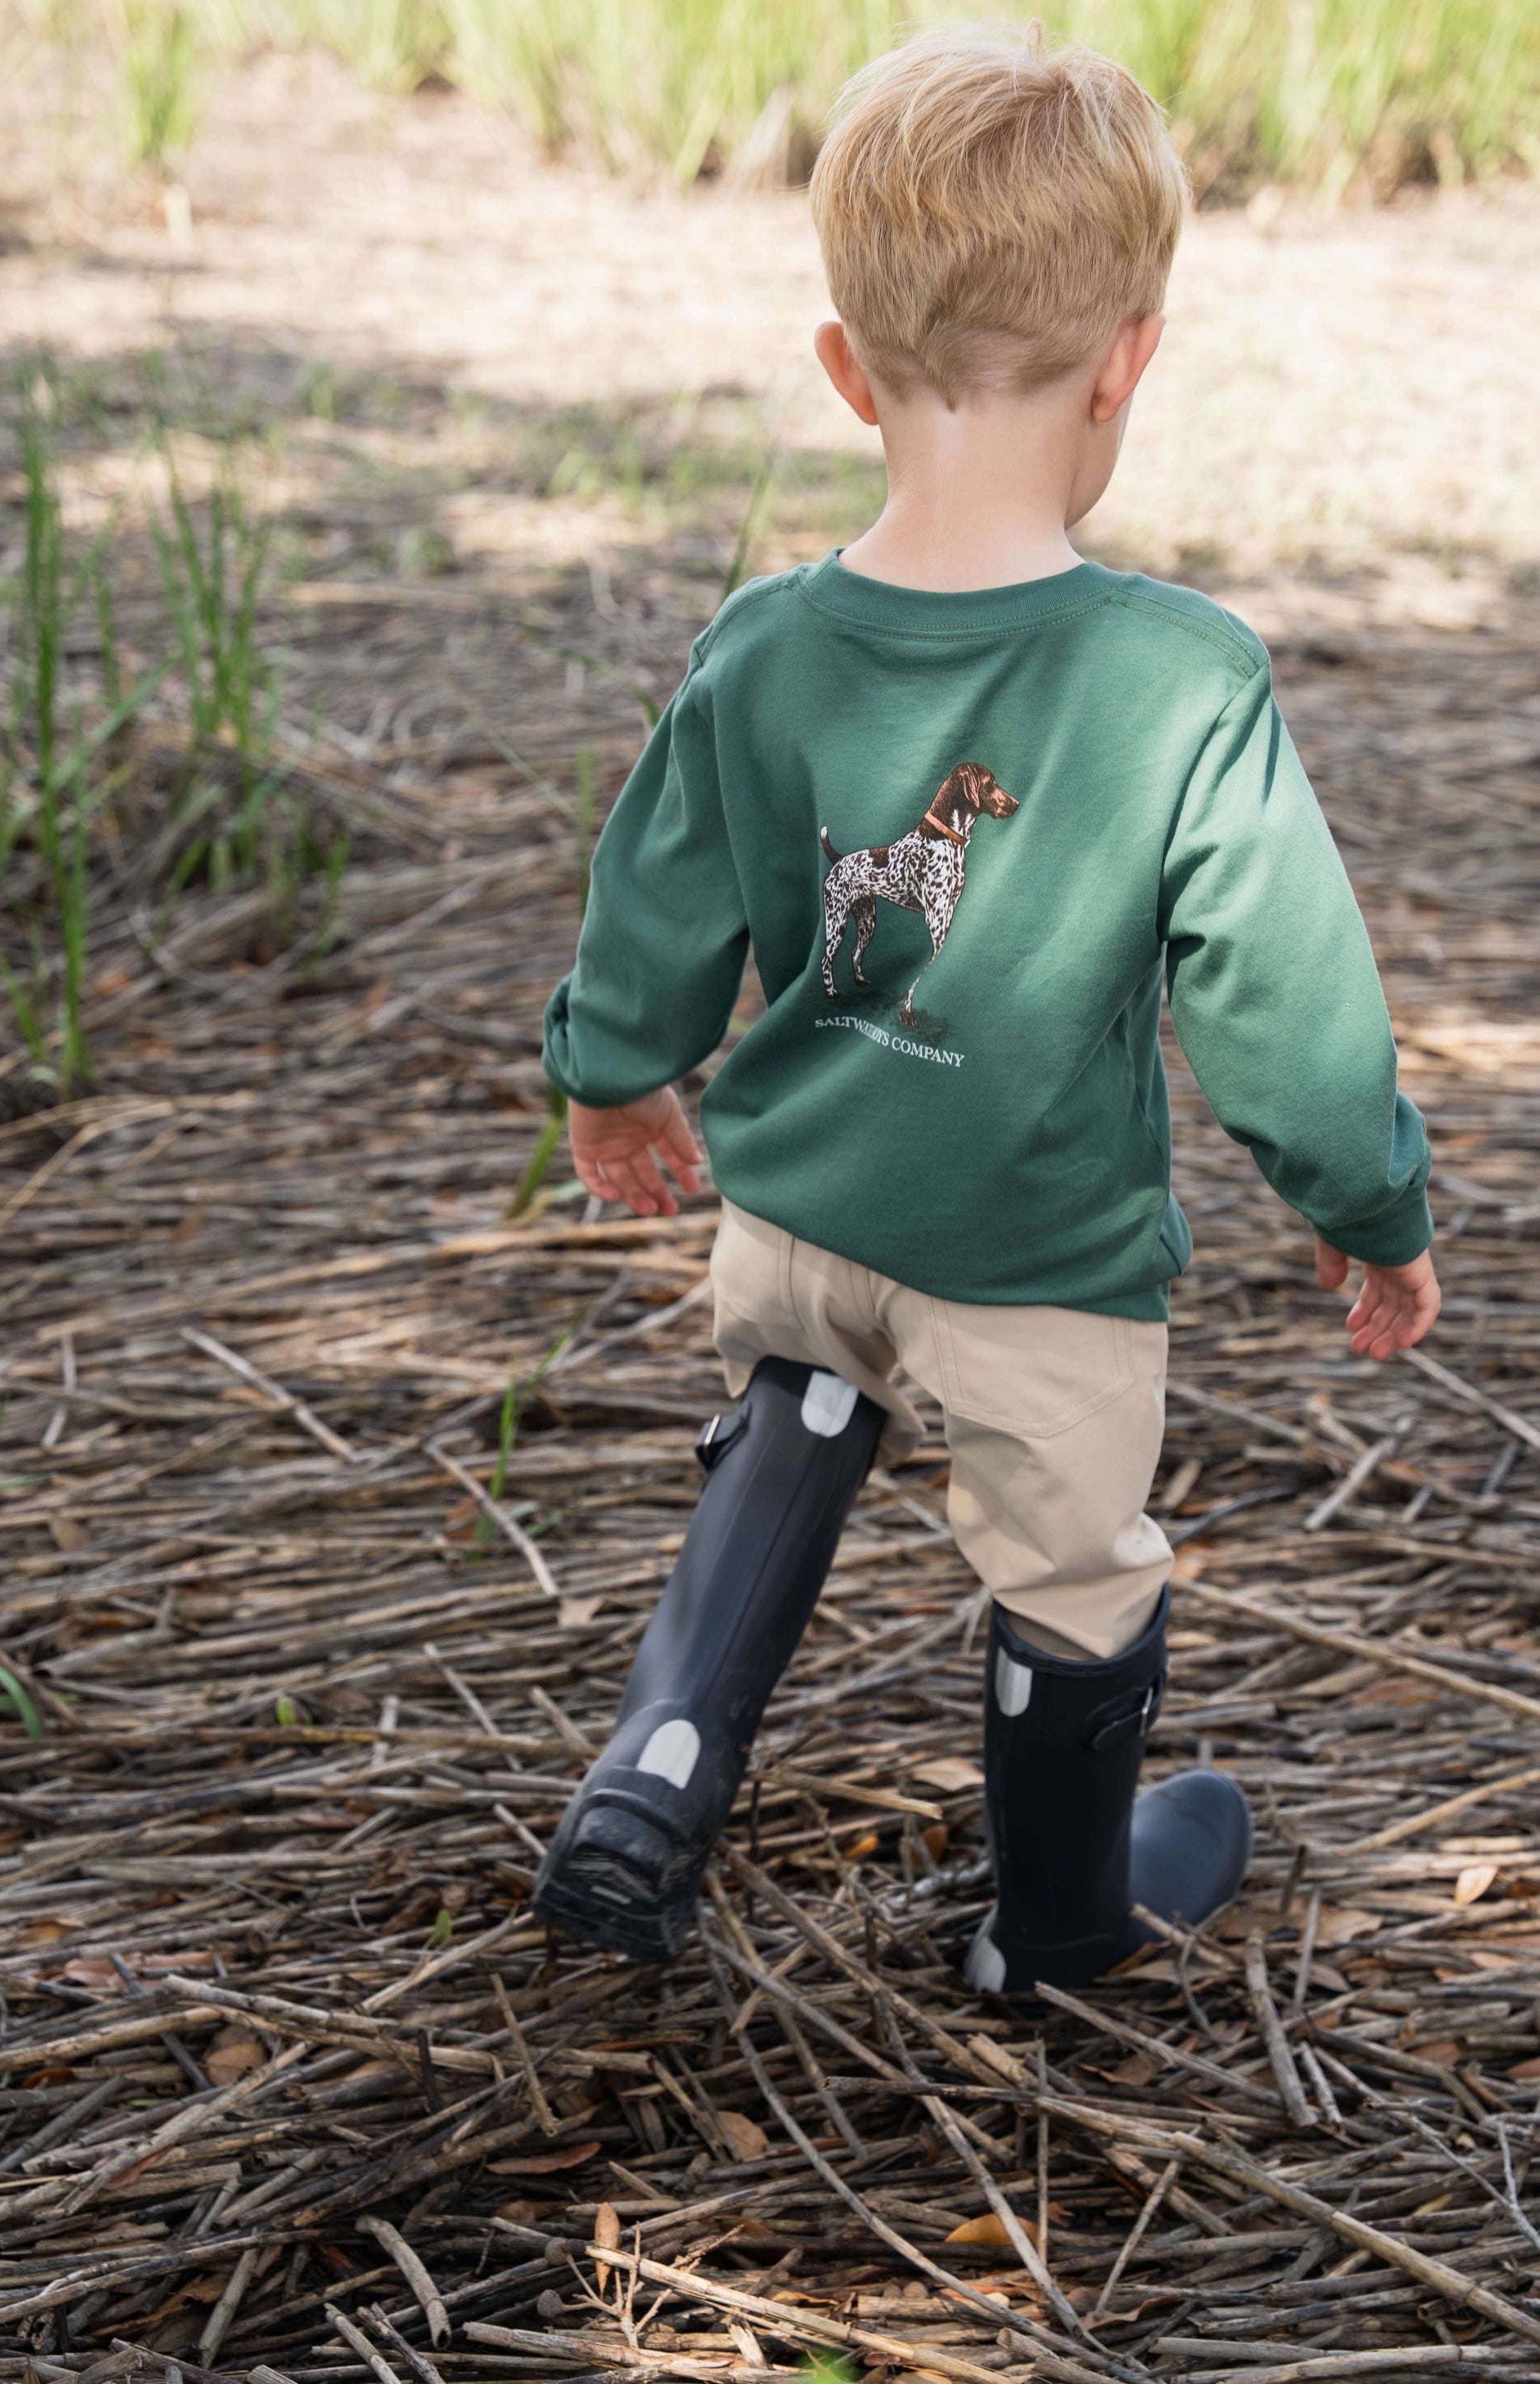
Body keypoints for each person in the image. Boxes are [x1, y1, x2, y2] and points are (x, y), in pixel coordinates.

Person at [531, 25, 1439, 1989]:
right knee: (1074, 1577)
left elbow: (657, 891)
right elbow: (1287, 1002)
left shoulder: (765, 644)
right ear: (1129, 359)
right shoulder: (1178, 681)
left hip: (795, 1211)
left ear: (846, 368)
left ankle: (653, 1771)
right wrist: (1367, 1202)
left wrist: (614, 1082)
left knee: (799, 1391)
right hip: (1034, 1263)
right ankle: (1056, 1920)